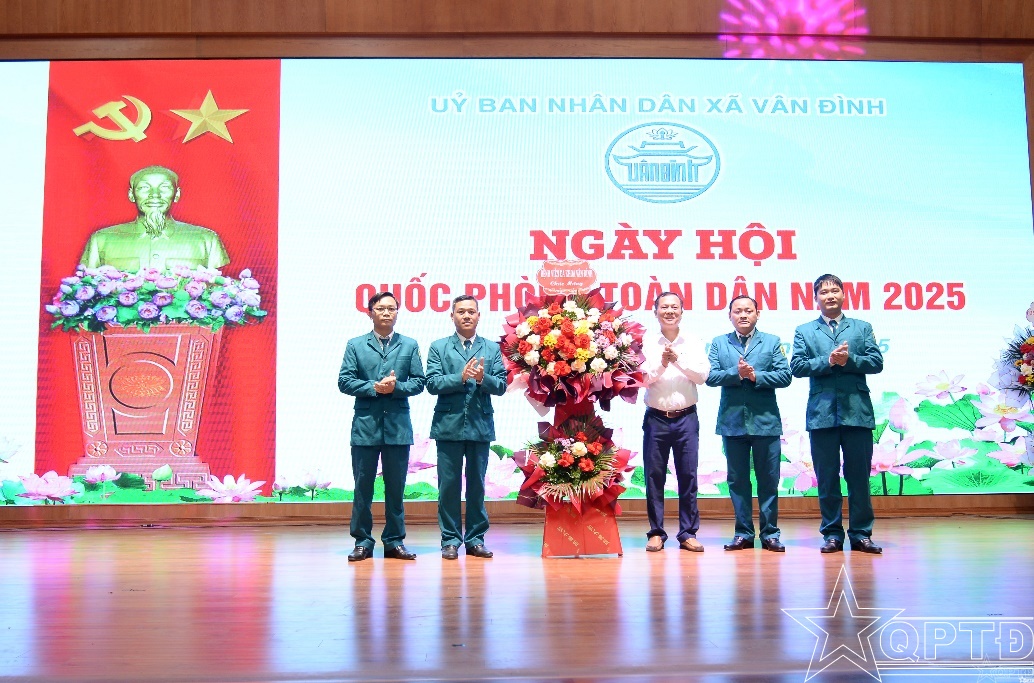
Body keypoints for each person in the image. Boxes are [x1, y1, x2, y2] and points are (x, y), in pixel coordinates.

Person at [789, 274, 884, 554]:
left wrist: (849, 360)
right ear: (815, 298)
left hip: (857, 413)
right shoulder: (805, 331)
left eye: (834, 291)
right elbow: (797, 366)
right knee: (827, 478)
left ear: (843, 295)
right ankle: (832, 534)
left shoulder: (862, 327)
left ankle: (861, 534)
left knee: (859, 478)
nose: (829, 296)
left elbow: (876, 362)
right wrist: (829, 361)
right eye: (823, 292)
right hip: (822, 414)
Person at [338, 292, 426, 562]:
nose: (386, 312)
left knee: (396, 488)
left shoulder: (409, 344)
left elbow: (419, 382)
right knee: (362, 487)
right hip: (366, 427)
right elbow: (344, 381)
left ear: (397, 313)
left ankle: (394, 541)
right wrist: (374, 387)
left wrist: (396, 387)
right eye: (381, 308)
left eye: (391, 308)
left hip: (398, 427)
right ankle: (362, 541)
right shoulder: (356, 345)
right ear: (370, 313)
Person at [706, 295, 792, 553]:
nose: (743, 315)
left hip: (766, 422)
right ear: (729, 315)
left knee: (769, 480)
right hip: (732, 423)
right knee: (737, 481)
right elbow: (710, 376)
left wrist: (756, 376)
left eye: (748, 310)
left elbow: (785, 376)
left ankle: (770, 534)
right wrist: (737, 373)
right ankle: (743, 533)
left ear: (757, 314)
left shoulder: (772, 341)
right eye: (737, 311)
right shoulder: (719, 343)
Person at [425, 295, 507, 560]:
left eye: (471, 311)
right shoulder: (439, 347)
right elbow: (432, 383)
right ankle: (450, 540)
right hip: (447, 426)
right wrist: (459, 377)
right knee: (448, 486)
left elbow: (502, 386)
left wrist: (483, 379)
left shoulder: (491, 348)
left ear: (479, 316)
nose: (467, 316)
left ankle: (475, 539)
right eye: (461, 312)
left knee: (477, 486)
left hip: (480, 425)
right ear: (452, 316)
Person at [641, 291, 710, 552]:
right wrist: (662, 364)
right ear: (655, 311)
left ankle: (688, 532)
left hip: (686, 418)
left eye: (674, 307)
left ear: (682, 311)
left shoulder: (693, 340)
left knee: (688, 475)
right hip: (656, 418)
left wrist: (677, 361)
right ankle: (656, 532)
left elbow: (702, 376)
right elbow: (641, 379)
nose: (669, 311)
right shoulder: (646, 341)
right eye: (664, 307)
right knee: (654, 476)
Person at [79, 165, 230, 271]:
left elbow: (215, 291)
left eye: (164, 187)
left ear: (177, 194)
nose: (155, 195)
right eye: (144, 188)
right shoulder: (102, 239)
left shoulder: (206, 239)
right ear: (131, 195)